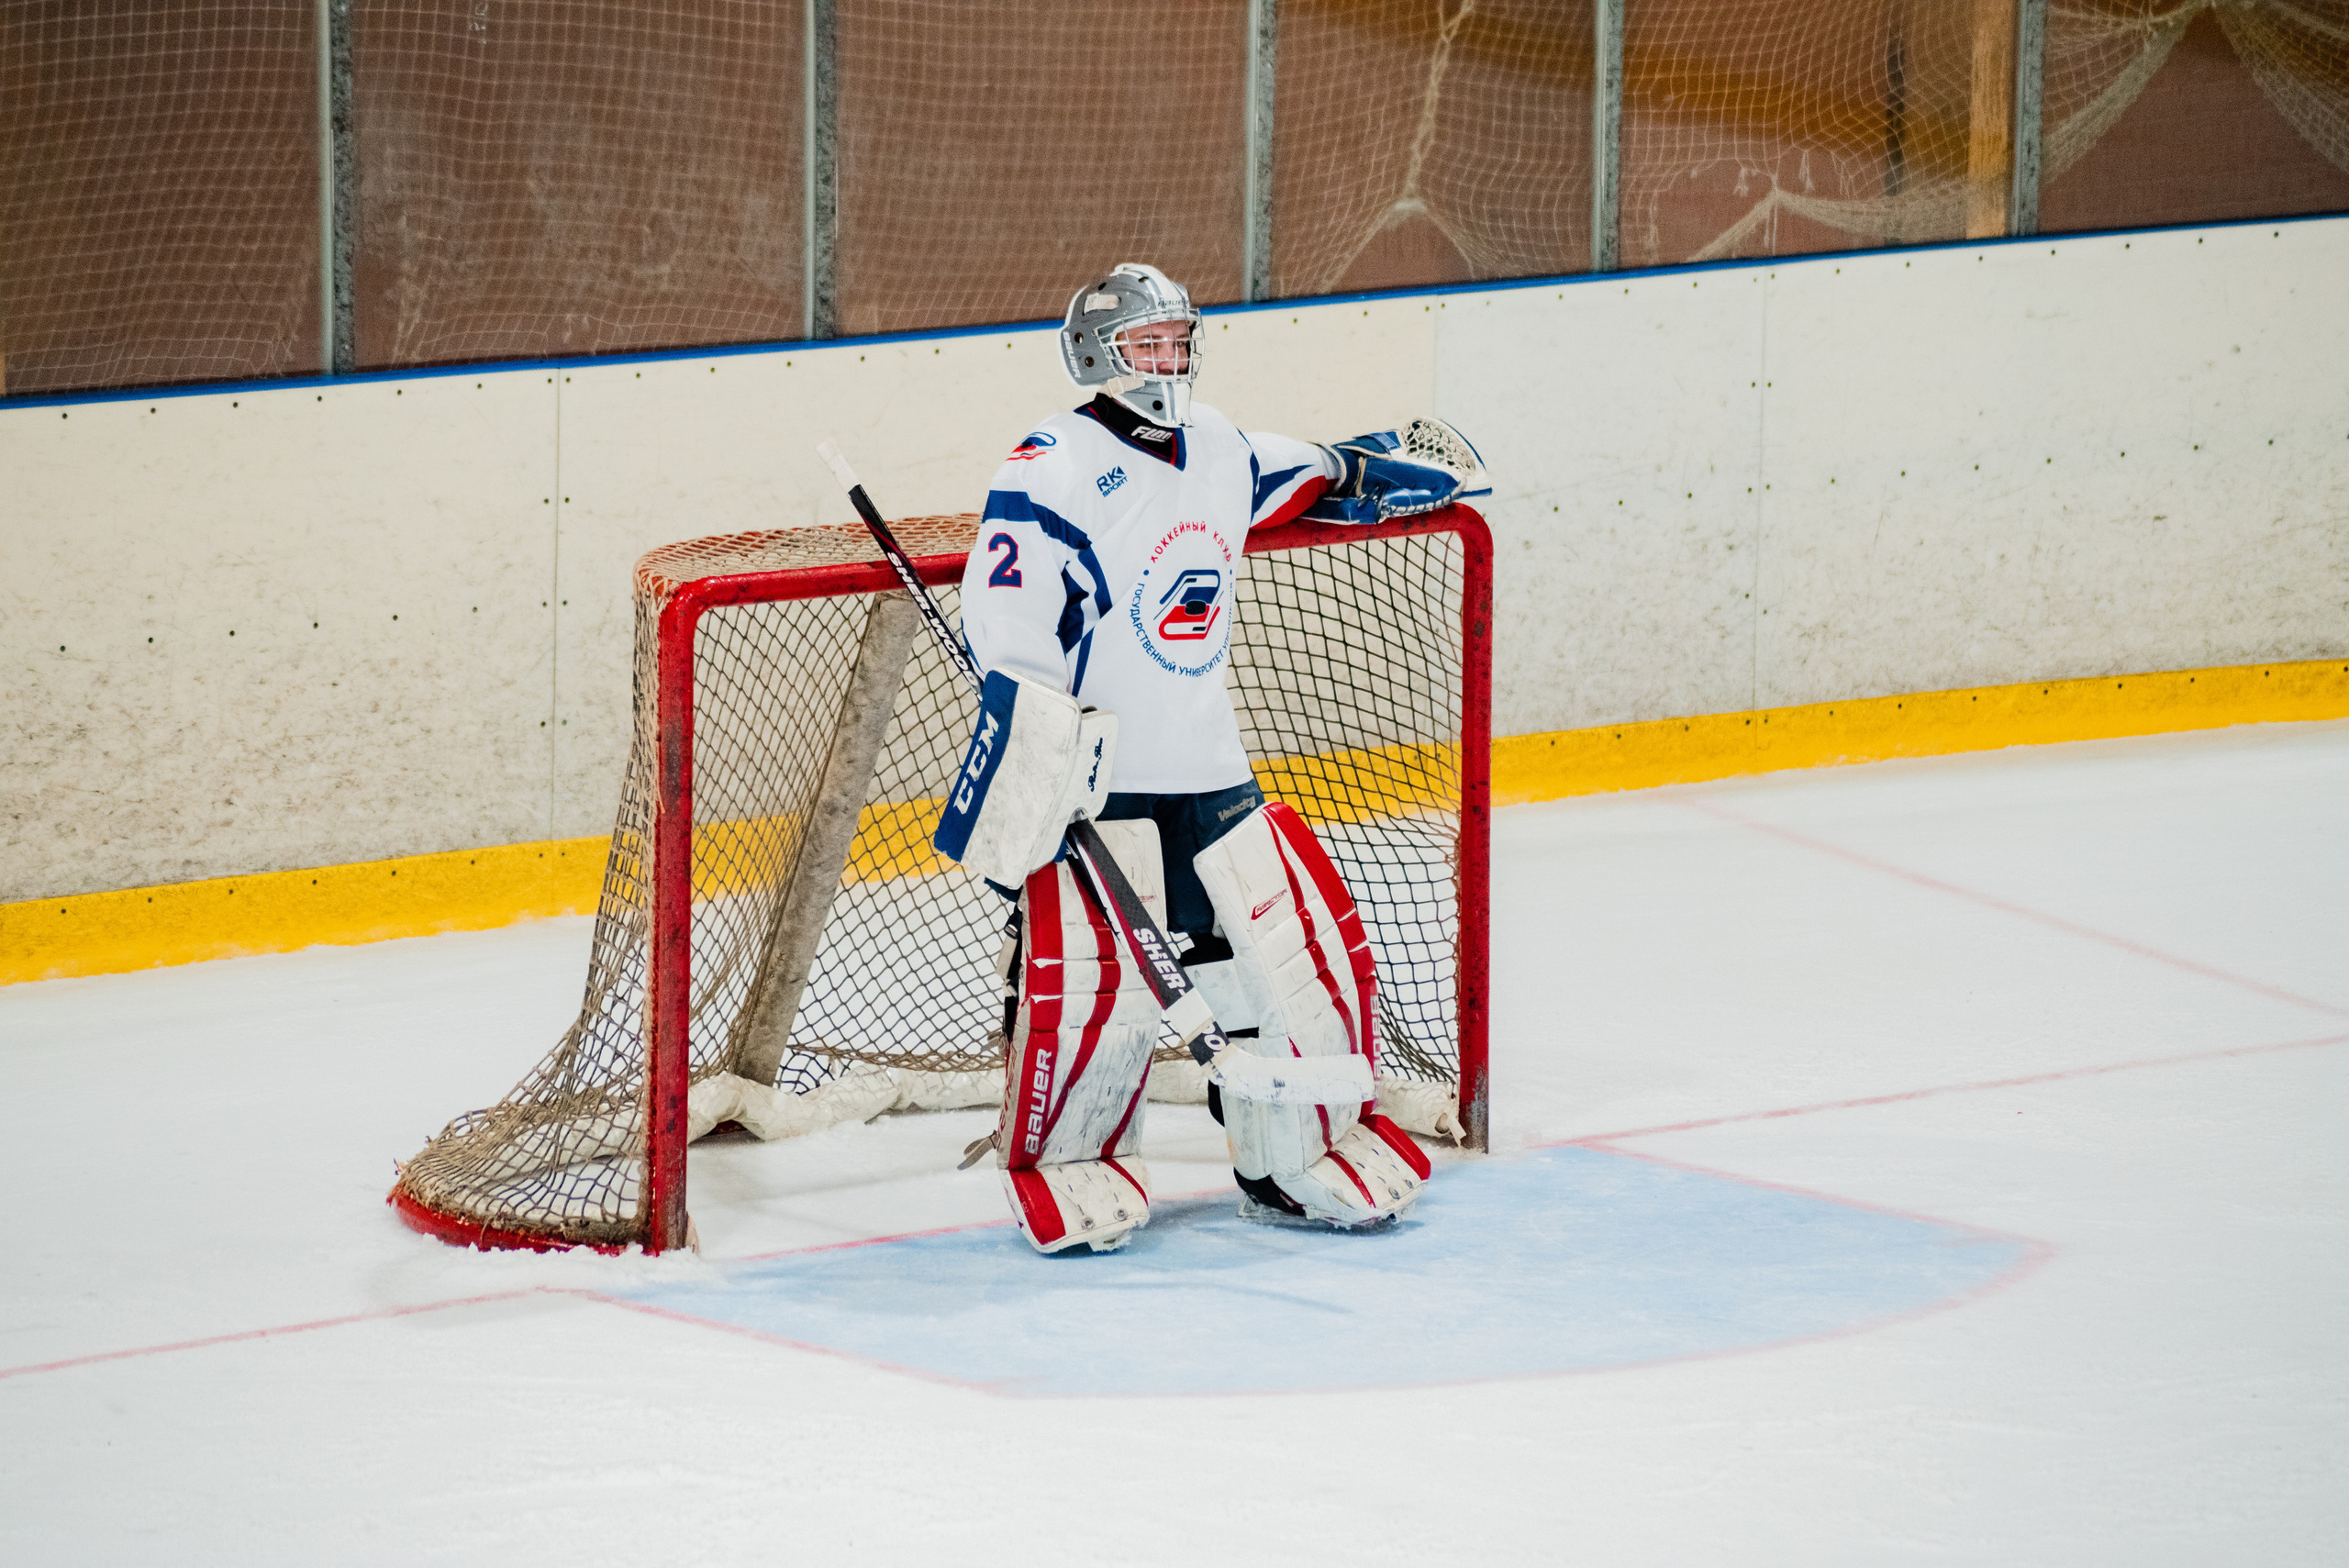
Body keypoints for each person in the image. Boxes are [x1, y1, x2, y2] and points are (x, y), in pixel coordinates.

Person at [938, 262, 1482, 1253]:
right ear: (1100, 352)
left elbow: (1302, 468)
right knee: (1099, 986)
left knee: (1271, 970)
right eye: (1148, 343)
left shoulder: (1219, 443)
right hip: (1103, 775)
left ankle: (1285, 1160)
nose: (1167, 360)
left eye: (1177, 340)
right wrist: (1042, 764)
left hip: (1210, 765)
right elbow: (1006, 625)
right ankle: (1074, 1160)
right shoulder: (1048, 460)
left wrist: (1363, 467)